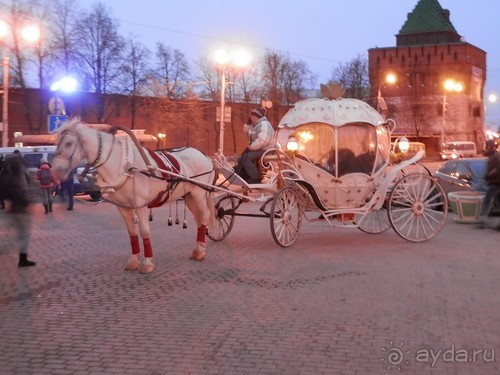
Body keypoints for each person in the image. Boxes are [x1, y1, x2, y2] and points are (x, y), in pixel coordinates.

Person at [2, 150, 35, 267]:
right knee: (23, 236)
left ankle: (22, 259)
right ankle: (23, 259)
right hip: (20, 212)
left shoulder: (7, 178)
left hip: (12, 212)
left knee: (14, 235)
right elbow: (21, 195)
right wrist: (28, 201)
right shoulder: (18, 180)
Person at [235, 107, 275, 184]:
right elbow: (246, 132)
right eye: (250, 116)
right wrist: (247, 123)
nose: (251, 118)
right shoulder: (254, 125)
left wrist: (251, 148)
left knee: (246, 159)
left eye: (253, 116)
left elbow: (263, 141)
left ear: (257, 116)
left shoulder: (264, 125)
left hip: (266, 149)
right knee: (241, 158)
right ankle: (244, 175)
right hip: (258, 149)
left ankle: (255, 177)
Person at [477, 140, 500, 229]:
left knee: (487, 201)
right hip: (495, 182)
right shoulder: (494, 156)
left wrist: (488, 175)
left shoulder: (496, 157)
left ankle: (481, 222)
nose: (486, 149)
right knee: (497, 203)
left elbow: (497, 169)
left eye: (487, 146)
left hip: (496, 182)